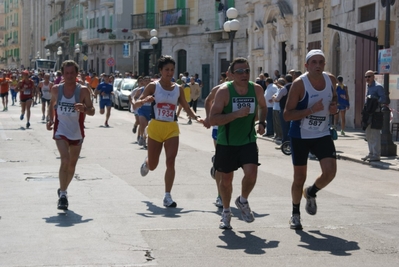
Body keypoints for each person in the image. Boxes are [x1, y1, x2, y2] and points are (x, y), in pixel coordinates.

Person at [136, 55, 203, 208]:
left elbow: (186, 107)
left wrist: (197, 117)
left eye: (172, 70)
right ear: (160, 70)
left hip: (171, 127)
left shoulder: (178, 88)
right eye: (166, 70)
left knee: (170, 161)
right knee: (153, 165)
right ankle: (147, 163)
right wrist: (145, 100)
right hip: (156, 127)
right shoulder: (153, 86)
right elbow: (137, 102)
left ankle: (167, 196)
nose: (169, 73)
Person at [209, 57, 267, 229]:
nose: (244, 74)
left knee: (251, 174)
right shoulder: (224, 91)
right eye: (240, 71)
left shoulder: (256, 89)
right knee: (226, 180)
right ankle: (226, 212)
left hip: (248, 140)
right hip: (226, 142)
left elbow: (263, 107)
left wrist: (261, 123)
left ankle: (242, 200)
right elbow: (213, 118)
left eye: (247, 71)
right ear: (231, 74)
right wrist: (235, 115)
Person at [283, 49, 338, 230]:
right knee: (299, 177)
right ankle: (295, 214)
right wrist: (310, 110)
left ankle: (311, 192)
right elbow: (287, 115)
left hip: (321, 133)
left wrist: (333, 108)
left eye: (321, 62)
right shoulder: (299, 84)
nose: (318, 65)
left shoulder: (331, 80)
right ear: (306, 65)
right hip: (300, 135)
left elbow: (334, 99)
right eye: (313, 62)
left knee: (330, 172)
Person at [46, 60, 95, 210]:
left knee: (72, 164)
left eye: (72, 73)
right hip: (61, 130)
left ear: (76, 74)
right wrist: (50, 119)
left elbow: (92, 110)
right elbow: (51, 104)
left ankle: (63, 189)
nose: (69, 76)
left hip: (77, 131)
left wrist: (84, 109)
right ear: (62, 74)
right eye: (66, 73)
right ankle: (63, 196)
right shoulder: (56, 89)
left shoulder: (83, 91)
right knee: (65, 160)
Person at [361, 70, 386, 162]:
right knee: (368, 134)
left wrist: (375, 102)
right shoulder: (368, 87)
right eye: (366, 77)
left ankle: (376, 155)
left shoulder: (378, 87)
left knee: (375, 134)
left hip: (376, 113)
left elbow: (383, 99)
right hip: (368, 113)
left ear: (373, 77)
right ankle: (371, 153)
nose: (367, 78)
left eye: (369, 76)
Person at [132, 76, 152, 147]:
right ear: (143, 82)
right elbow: (134, 97)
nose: (147, 82)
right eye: (145, 80)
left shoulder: (153, 90)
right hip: (142, 110)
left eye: (148, 80)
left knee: (149, 127)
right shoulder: (140, 90)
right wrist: (134, 103)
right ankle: (142, 137)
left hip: (151, 111)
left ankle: (144, 137)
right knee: (143, 125)